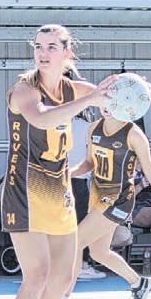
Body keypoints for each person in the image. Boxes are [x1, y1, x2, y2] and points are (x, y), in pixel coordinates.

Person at [0, 24, 117, 299]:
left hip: (58, 190)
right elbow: (42, 117)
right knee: (36, 275)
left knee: (64, 279)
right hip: (24, 190)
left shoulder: (73, 89)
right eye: (38, 46)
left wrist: (128, 90)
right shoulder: (24, 89)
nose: (43, 53)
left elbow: (112, 101)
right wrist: (90, 100)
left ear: (67, 53)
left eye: (52, 47)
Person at [62, 107, 151, 299]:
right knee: (98, 252)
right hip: (98, 195)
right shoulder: (94, 128)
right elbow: (90, 163)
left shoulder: (134, 134)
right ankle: (139, 283)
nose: (107, 107)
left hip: (119, 198)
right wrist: (69, 173)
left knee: (76, 242)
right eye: (105, 101)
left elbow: (150, 169)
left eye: (113, 102)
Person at [68, 107, 106, 282]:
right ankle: (82, 264)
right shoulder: (87, 127)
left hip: (57, 180)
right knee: (80, 223)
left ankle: (64, 264)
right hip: (78, 180)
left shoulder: (58, 124)